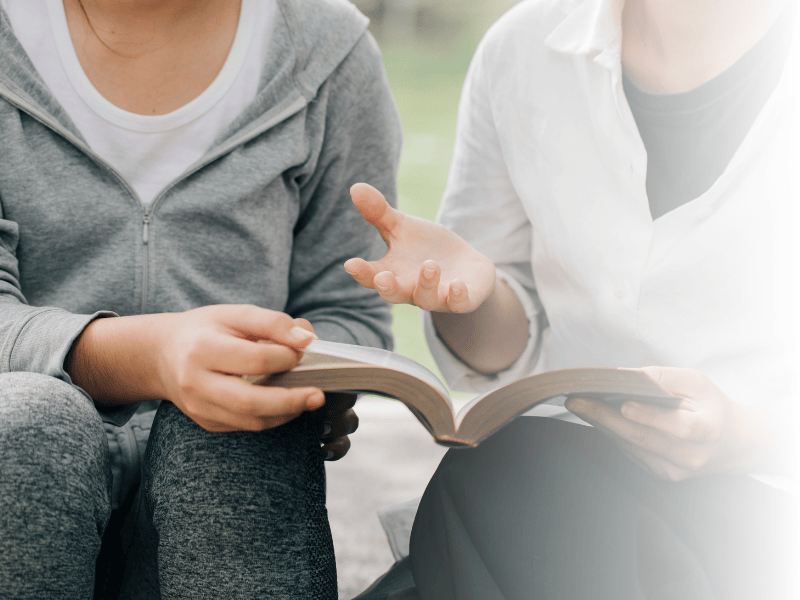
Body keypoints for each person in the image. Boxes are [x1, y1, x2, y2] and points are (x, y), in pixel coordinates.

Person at [346, 0, 800, 597]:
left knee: (506, 483)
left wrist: (747, 437)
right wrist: (472, 299)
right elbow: (504, 354)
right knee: (514, 474)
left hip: (766, 508)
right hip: (569, 487)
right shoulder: (522, 50)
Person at [0, 0, 400, 598]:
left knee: (233, 433)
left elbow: (350, 311)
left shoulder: (328, 50)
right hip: (23, 481)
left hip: (225, 490)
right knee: (29, 421)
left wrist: (299, 372)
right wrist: (154, 357)